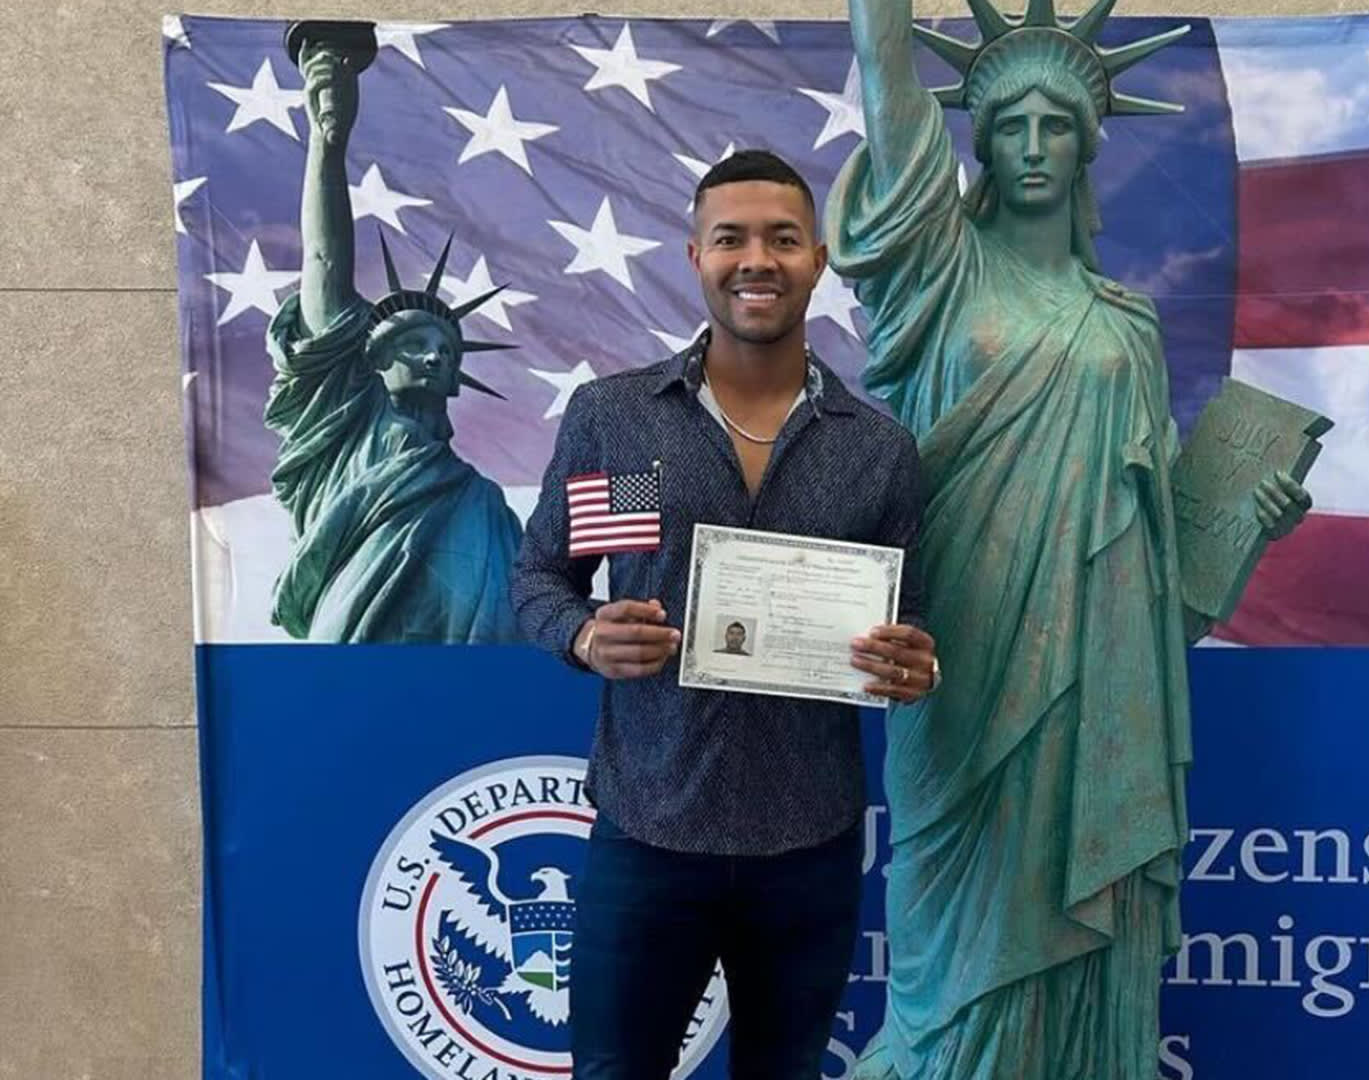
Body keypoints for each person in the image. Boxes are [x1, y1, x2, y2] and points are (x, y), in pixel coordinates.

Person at [827, 2, 1312, 1077]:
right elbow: (892, 104)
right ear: (981, 144)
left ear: (1089, 142)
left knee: (1086, 961)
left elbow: (1150, 581)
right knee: (949, 960)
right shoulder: (936, 279)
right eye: (1011, 126)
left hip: (1102, 689)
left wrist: (1246, 534)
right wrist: (882, 26)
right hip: (960, 661)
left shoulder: (1125, 324)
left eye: (1057, 126)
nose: (1035, 146)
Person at [510, 149, 939, 1080]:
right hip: (649, 831)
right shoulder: (619, 421)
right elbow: (541, 577)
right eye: (732, 239)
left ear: (818, 261)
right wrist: (584, 634)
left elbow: (913, 628)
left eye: (783, 239)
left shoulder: (879, 452)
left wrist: (916, 667)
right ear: (695, 255)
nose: (758, 260)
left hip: (810, 847)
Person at [264, 24, 524, 643]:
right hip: (356, 649)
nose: (434, 354)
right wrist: (328, 144)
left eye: (446, 349)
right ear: (372, 359)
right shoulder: (344, 426)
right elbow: (324, 263)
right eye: (414, 342)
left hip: (470, 701)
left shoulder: (485, 506)